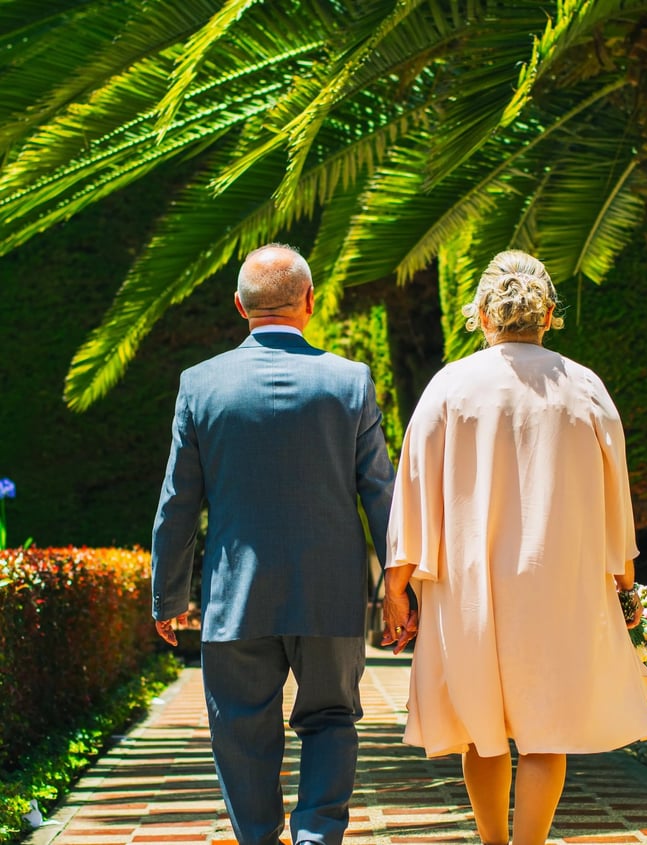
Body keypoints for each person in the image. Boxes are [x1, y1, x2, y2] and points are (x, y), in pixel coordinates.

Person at [382, 250, 647, 845]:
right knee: (545, 727)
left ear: (479, 314)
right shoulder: (581, 385)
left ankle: (493, 843)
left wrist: (398, 582)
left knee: (483, 727)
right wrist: (624, 577)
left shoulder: (449, 385)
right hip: (557, 580)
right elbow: (616, 492)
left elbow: (415, 487)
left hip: (469, 583)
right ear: (550, 313)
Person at [151, 243, 394, 845]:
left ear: (240, 306)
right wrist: (398, 584)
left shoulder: (199, 384)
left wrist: (168, 595)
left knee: (240, 727)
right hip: (331, 595)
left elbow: (178, 500)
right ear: (309, 303)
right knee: (333, 717)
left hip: (236, 598)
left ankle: (259, 837)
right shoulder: (350, 381)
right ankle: (317, 836)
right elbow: (382, 494)